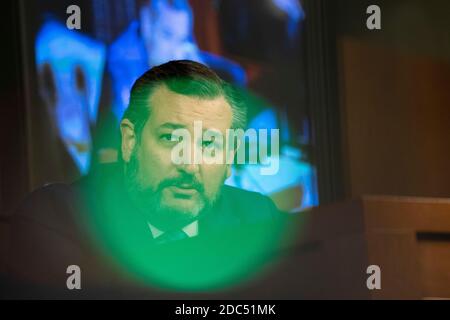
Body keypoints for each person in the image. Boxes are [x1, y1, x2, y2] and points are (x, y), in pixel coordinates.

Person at [5, 60, 283, 298]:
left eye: (209, 145)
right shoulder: (56, 218)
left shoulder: (257, 218)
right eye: (171, 138)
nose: (189, 164)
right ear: (129, 141)